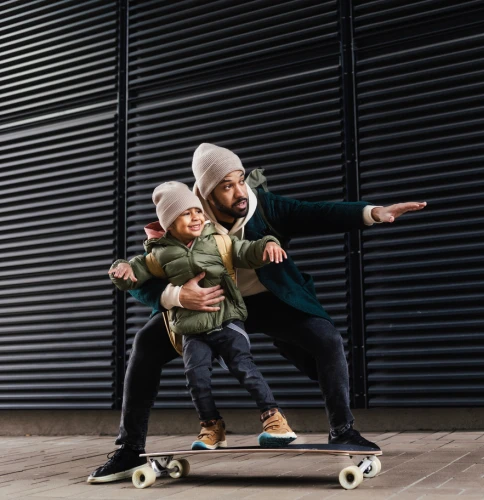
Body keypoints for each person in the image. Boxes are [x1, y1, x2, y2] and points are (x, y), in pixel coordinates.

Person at [87, 143, 426, 483]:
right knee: (145, 345)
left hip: (267, 299)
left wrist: (371, 213)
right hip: (209, 303)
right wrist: (176, 295)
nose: (240, 193)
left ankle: (343, 430)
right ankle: (129, 450)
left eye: (240, 180)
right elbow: (142, 274)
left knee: (327, 340)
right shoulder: (183, 217)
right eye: (227, 186)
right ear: (206, 194)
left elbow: (316, 212)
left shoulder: (262, 208)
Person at [109, 181, 297, 450]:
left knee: (244, 368)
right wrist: (122, 269)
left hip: (226, 319)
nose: (196, 217)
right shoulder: (158, 254)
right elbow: (135, 273)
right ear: (169, 223)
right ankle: (211, 427)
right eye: (186, 214)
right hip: (191, 329)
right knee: (196, 380)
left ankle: (274, 420)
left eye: (198, 211)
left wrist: (267, 244)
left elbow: (246, 251)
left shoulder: (218, 241)